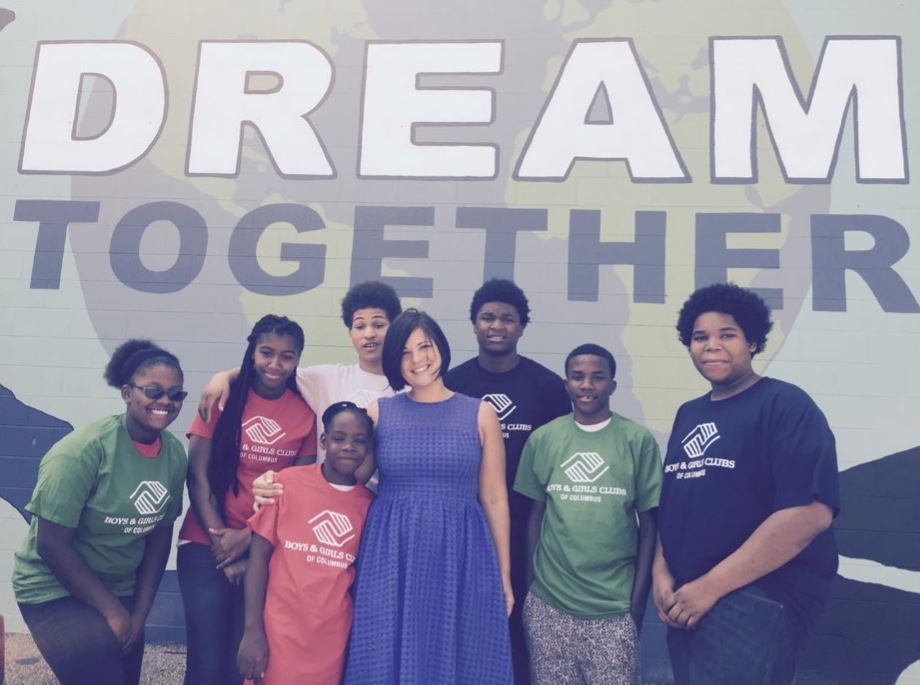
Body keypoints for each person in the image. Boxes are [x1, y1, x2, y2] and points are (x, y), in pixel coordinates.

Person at [652, 283, 839, 684]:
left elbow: (810, 514)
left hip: (756, 596)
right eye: (700, 337)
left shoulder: (785, 405)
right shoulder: (688, 414)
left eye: (727, 335)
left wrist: (710, 587)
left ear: (753, 341)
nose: (712, 346)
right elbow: (675, 502)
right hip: (688, 599)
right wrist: (662, 573)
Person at [343, 308, 514, 684]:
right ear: (394, 361)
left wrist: (504, 573)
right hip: (392, 555)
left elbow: (495, 499)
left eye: (425, 346)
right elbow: (346, 479)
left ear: (440, 347)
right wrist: (284, 484)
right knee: (384, 654)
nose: (418, 359)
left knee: (466, 653)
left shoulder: (481, 414)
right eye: (405, 352)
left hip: (462, 552)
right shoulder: (378, 412)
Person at [12, 340, 188, 685]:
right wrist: (112, 612)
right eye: (153, 391)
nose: (165, 402)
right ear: (126, 393)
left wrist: (139, 613)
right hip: (53, 588)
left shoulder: (173, 455)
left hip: (118, 585)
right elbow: (51, 545)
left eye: (176, 394)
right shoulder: (82, 452)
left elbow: (159, 536)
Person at [178, 315, 317, 685]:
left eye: (286, 356)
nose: (275, 364)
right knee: (205, 666)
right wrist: (221, 539)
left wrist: (247, 541)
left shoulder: (305, 415)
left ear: (297, 360)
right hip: (204, 543)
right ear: (252, 353)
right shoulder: (223, 400)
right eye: (267, 353)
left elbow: (295, 492)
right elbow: (197, 475)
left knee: (240, 667)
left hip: (261, 551)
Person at [445, 278, 571, 684]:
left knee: (517, 626)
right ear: (474, 324)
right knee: (461, 624)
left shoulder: (549, 388)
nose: (496, 325)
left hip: (525, 530)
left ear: (521, 326)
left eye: (507, 318)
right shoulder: (453, 383)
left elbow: (559, 460)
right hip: (464, 526)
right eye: (488, 317)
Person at [514, 344, 661, 685]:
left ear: (612, 385)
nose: (587, 385)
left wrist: (637, 605)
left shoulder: (637, 441)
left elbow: (649, 525)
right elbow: (535, 515)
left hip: (613, 609)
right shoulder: (544, 439)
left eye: (598, 377)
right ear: (566, 383)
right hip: (549, 605)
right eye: (578, 377)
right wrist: (530, 593)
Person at [237, 402, 375, 685]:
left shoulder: (369, 506)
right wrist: (252, 631)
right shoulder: (286, 483)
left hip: (331, 638)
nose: (349, 446)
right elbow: (258, 559)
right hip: (279, 631)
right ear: (324, 441)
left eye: (359, 441)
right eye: (339, 438)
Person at [198, 280, 402, 463]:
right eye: (360, 326)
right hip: (330, 499)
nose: (369, 334)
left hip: (385, 499)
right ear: (350, 333)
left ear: (394, 328)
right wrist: (223, 377)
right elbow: (272, 369)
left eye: (378, 325)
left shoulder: (411, 387)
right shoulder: (327, 378)